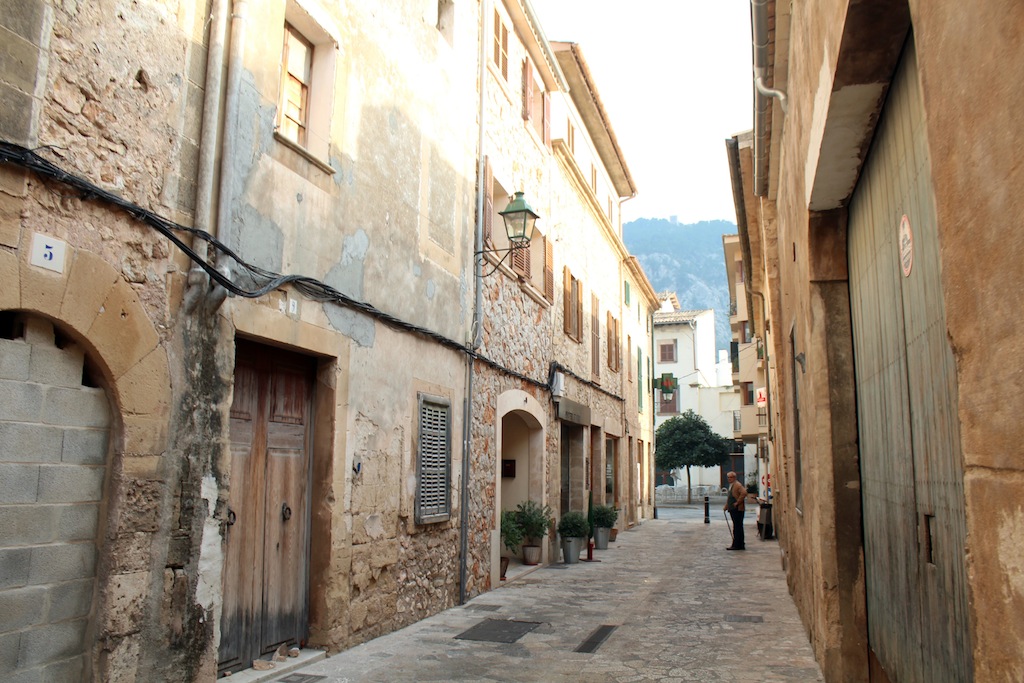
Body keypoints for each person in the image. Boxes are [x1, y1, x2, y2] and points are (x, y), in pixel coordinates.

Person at [724, 471, 746, 550]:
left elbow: (744, 493)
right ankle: (738, 544)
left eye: (731, 477)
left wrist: (737, 502)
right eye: (728, 477)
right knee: (737, 526)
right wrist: (726, 506)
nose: (729, 479)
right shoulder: (732, 485)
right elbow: (730, 497)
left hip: (737, 509)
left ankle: (737, 544)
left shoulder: (737, 485)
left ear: (734, 477)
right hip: (733, 509)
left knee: (737, 527)